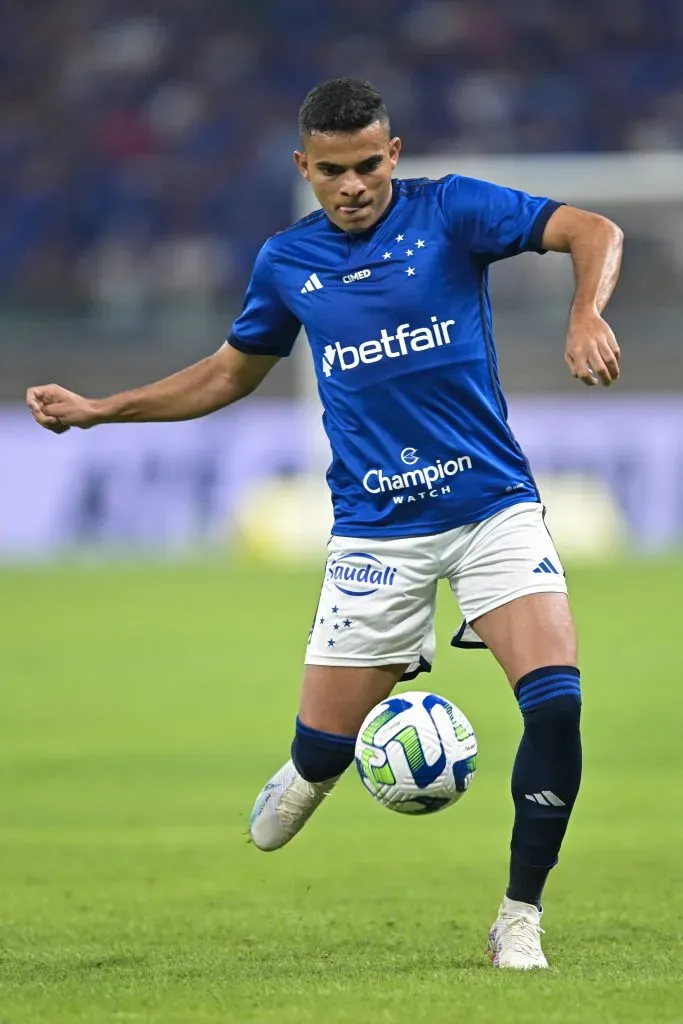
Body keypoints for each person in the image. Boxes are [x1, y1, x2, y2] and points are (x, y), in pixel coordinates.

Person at [26, 78, 623, 969]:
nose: (353, 186)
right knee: (319, 752)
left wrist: (584, 313)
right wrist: (101, 409)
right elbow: (229, 375)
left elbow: (593, 229)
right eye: (332, 172)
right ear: (305, 168)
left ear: (394, 154)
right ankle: (312, 767)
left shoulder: (453, 212)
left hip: (491, 507)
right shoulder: (286, 262)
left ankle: (518, 918)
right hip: (376, 533)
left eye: (368, 166)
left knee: (557, 704)